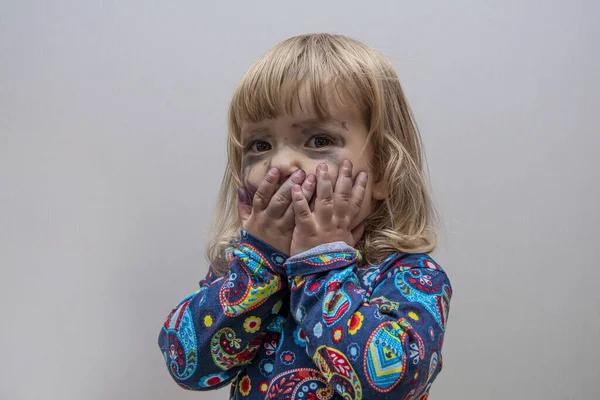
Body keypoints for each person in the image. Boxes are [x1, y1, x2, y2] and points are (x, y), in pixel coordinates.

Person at [158, 33, 452, 399]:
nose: (279, 164)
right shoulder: (244, 269)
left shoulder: (411, 277)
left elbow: (393, 382)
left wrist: (322, 266)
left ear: (384, 171)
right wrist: (259, 265)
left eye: (318, 141)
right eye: (260, 145)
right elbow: (186, 363)